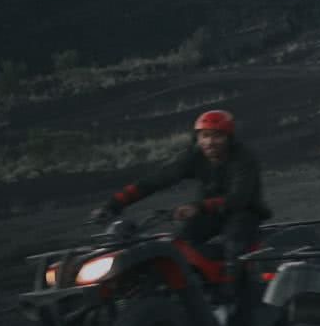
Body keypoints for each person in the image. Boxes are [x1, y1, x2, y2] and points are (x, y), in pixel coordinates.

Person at [91, 109, 269, 306]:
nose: (209, 142)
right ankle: (190, 291)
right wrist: (114, 204)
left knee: (235, 243)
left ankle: (233, 298)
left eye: (217, 136)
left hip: (243, 212)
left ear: (229, 138)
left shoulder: (244, 159)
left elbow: (239, 199)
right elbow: (155, 181)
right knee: (180, 245)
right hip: (208, 213)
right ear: (197, 138)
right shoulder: (194, 157)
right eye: (205, 136)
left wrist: (198, 207)